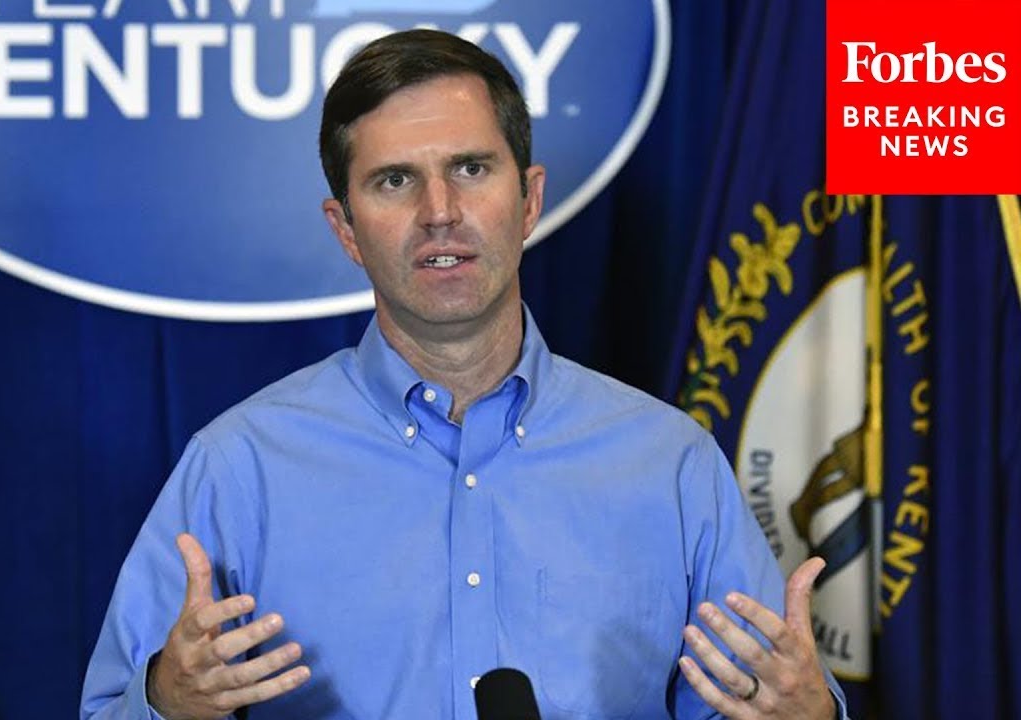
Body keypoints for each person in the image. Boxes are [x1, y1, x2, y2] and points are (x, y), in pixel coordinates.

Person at [81, 29, 848, 720]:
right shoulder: (240, 468)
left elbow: (761, 704)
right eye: (394, 181)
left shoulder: (671, 465)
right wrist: (166, 702)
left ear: (530, 200)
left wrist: (808, 717)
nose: (440, 210)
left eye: (471, 168)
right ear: (345, 229)